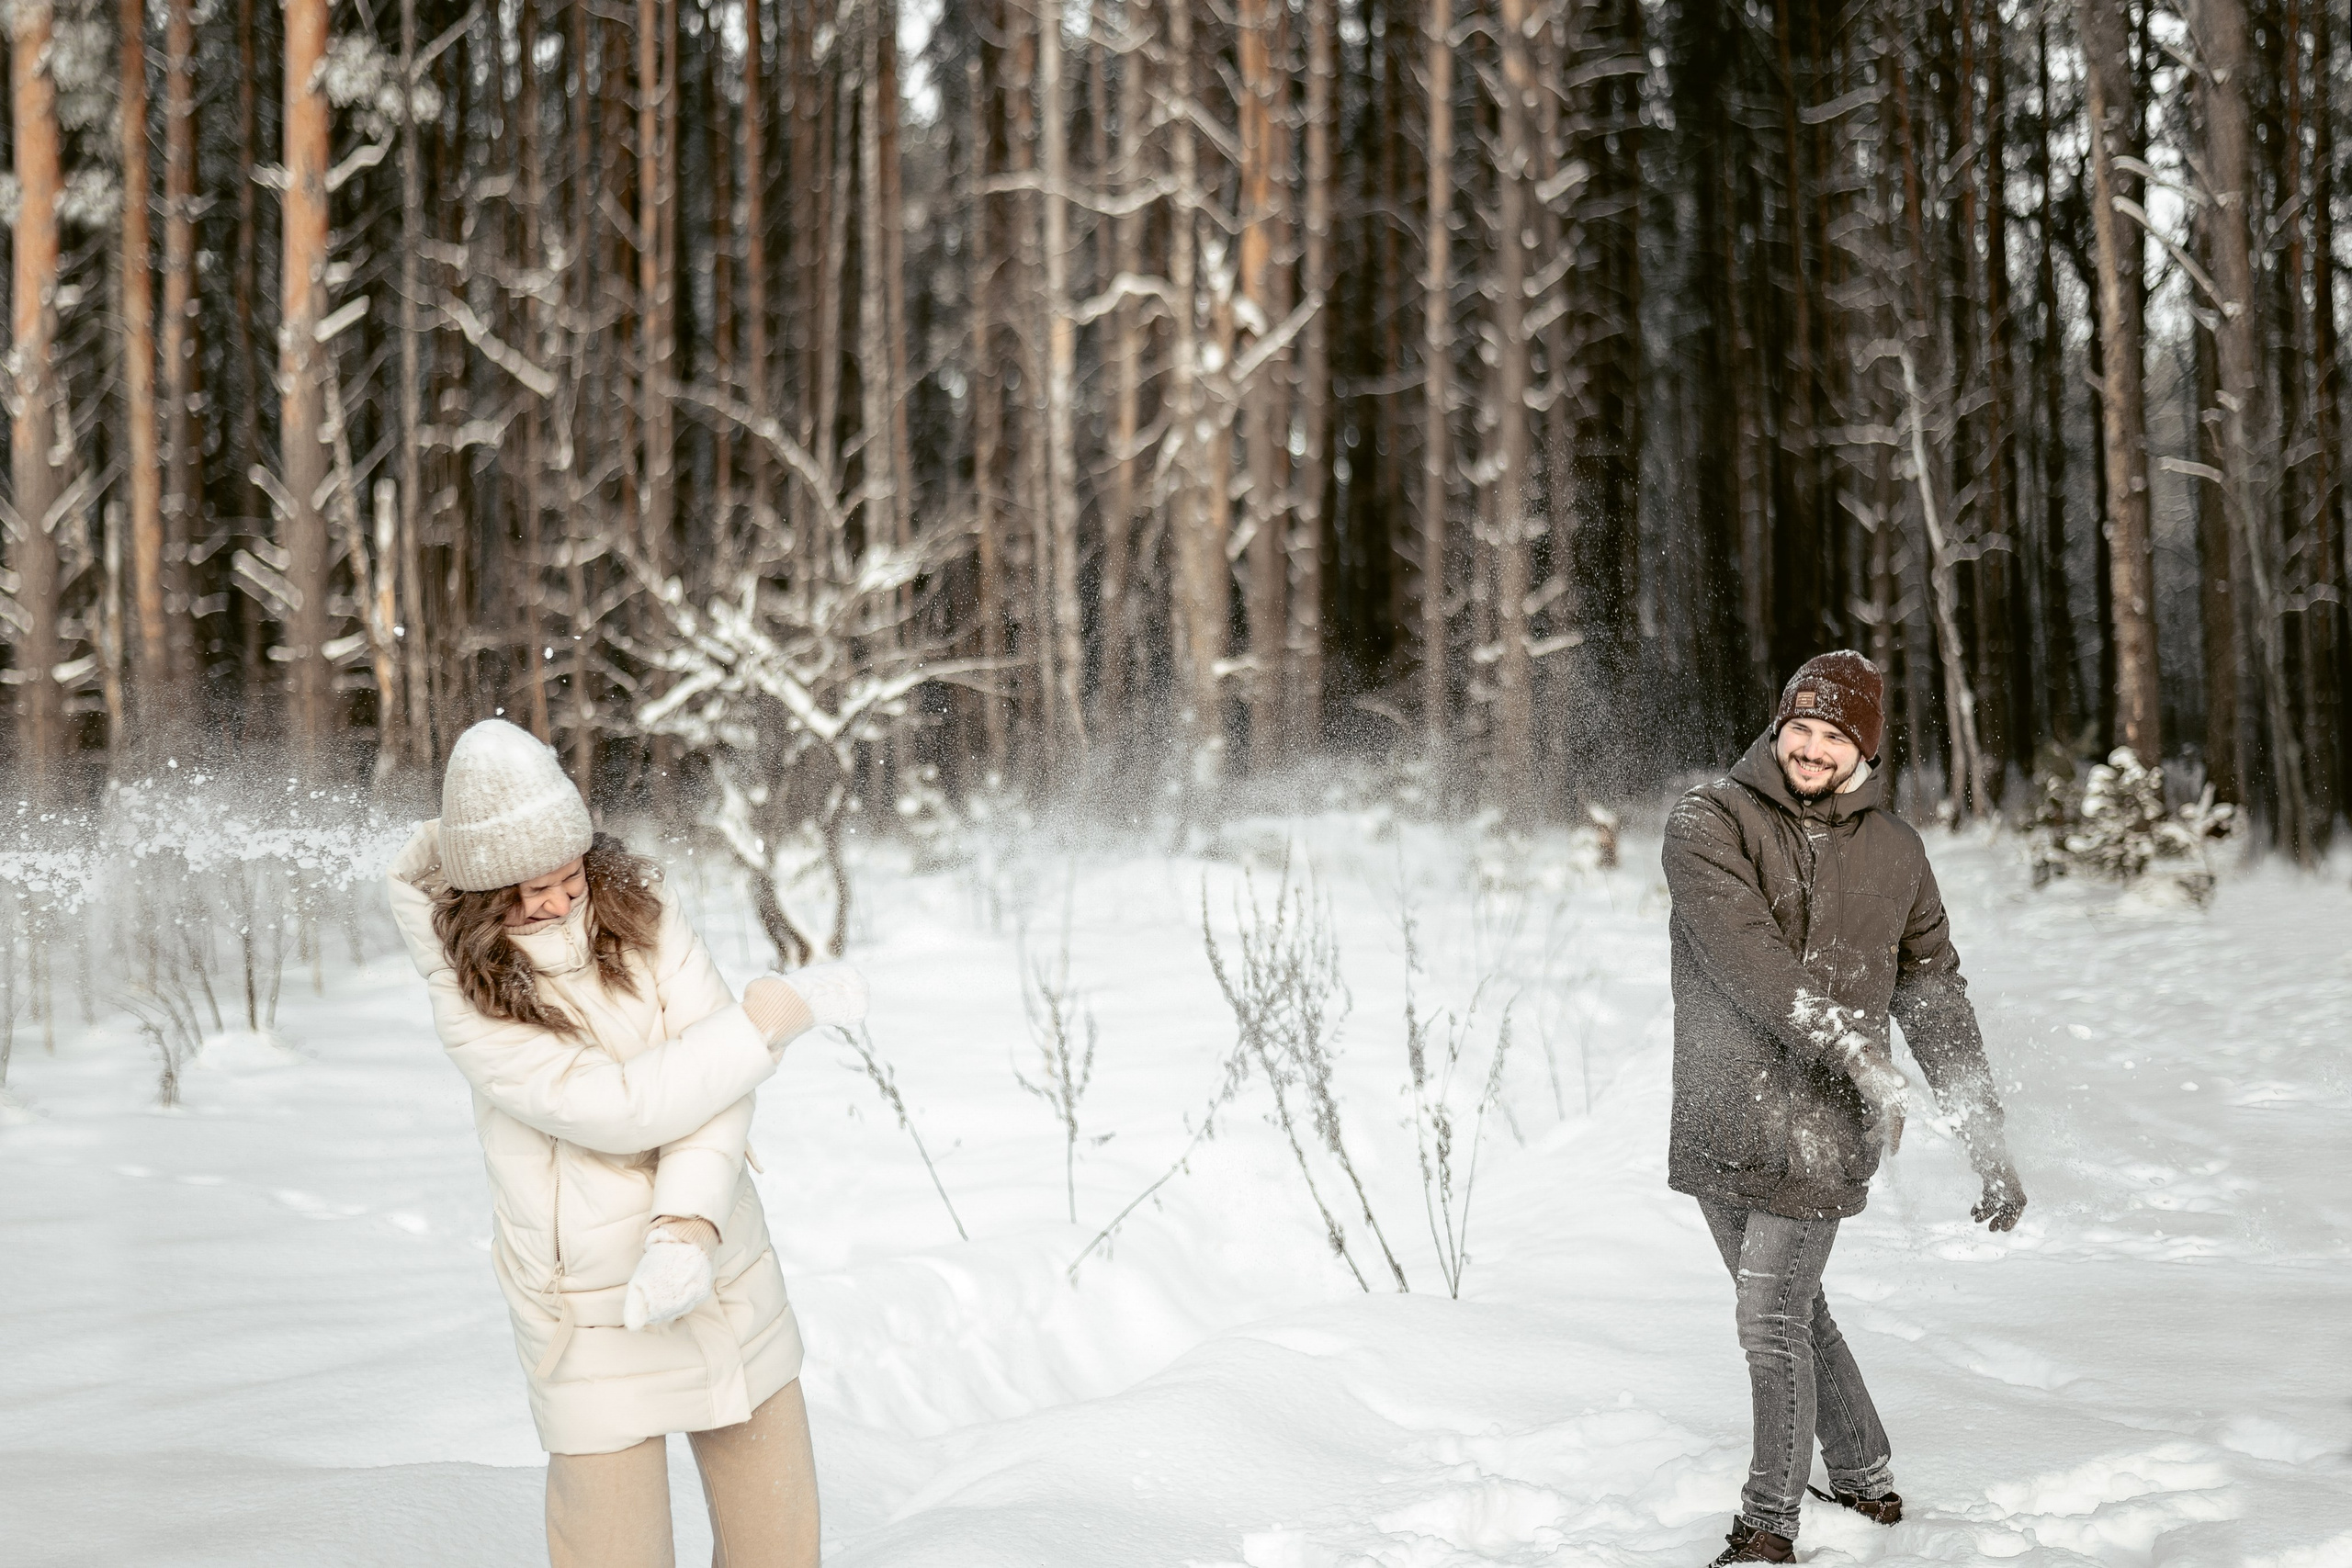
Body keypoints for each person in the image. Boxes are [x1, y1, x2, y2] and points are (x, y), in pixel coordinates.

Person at [387, 718, 865, 1568]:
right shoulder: (469, 994)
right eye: (524, 889)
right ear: (476, 893)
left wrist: (687, 1228)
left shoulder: (645, 907)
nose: (556, 901)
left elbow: (720, 1090)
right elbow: (620, 1106)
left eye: (568, 874)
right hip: (587, 1306)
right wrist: (763, 1024)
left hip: (724, 1261)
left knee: (781, 1552)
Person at [1661, 651, 2027, 1566]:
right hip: (1723, 1111)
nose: (1812, 748)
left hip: (1824, 1125)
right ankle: (1862, 1479)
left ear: (1861, 747)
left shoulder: (1896, 851)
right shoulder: (1709, 821)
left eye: (1834, 734)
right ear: (1778, 727)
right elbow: (1745, 955)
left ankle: (1767, 1529)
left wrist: (1987, 1140)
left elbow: (1935, 994)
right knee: (1793, 1308)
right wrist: (1858, 1047)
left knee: (1767, 1321)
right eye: (1801, 727)